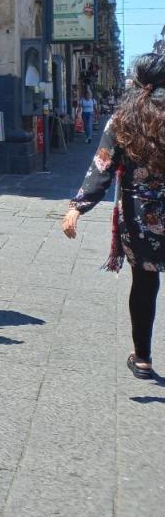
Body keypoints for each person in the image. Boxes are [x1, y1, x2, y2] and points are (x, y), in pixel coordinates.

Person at [62, 54, 165, 380]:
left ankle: (144, 358)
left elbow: (101, 167)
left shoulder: (123, 120)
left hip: (139, 217)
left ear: (136, 84)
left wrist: (78, 206)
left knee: (145, 281)